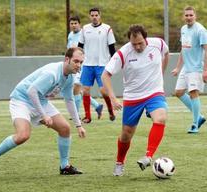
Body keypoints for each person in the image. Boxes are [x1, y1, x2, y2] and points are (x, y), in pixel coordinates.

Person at [0, 47, 86, 176]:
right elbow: (31, 91)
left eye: (81, 62)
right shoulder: (52, 73)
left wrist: (78, 125)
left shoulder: (70, 77)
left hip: (40, 100)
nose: (79, 65)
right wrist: (44, 115)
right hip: (22, 100)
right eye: (76, 61)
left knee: (65, 128)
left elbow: (69, 100)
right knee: (23, 135)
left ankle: (64, 166)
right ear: (67, 59)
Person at [102, 24, 169, 176]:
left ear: (146, 38)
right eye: (134, 44)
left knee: (161, 118)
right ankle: (119, 162)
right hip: (133, 97)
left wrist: (161, 75)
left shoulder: (158, 43)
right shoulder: (123, 53)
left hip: (154, 92)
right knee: (126, 134)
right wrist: (112, 98)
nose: (138, 47)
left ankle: (148, 156)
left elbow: (166, 54)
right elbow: (105, 75)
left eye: (141, 43)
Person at [171, 6, 207, 134]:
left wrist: (205, 70)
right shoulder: (183, 29)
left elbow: (206, 49)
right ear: (183, 17)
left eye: (191, 15)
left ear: (195, 16)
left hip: (197, 68)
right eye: (186, 15)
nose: (188, 17)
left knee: (193, 93)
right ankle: (200, 117)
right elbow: (183, 49)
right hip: (186, 67)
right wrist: (177, 67)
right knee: (178, 92)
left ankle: (195, 124)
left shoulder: (201, 30)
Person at [78, 7, 115, 124]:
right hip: (88, 65)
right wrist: (79, 60)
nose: (94, 17)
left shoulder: (107, 29)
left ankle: (110, 111)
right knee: (85, 90)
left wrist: (113, 64)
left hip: (102, 65)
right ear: (90, 16)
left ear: (100, 16)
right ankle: (88, 116)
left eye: (96, 15)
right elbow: (80, 47)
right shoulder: (85, 29)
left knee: (104, 91)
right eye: (92, 15)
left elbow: (112, 48)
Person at [67, 16, 103, 120]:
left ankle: (76, 114)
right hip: (73, 64)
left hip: (82, 64)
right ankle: (97, 106)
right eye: (72, 23)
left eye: (75, 23)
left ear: (79, 24)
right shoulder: (70, 35)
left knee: (76, 87)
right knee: (77, 89)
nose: (73, 25)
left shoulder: (84, 33)